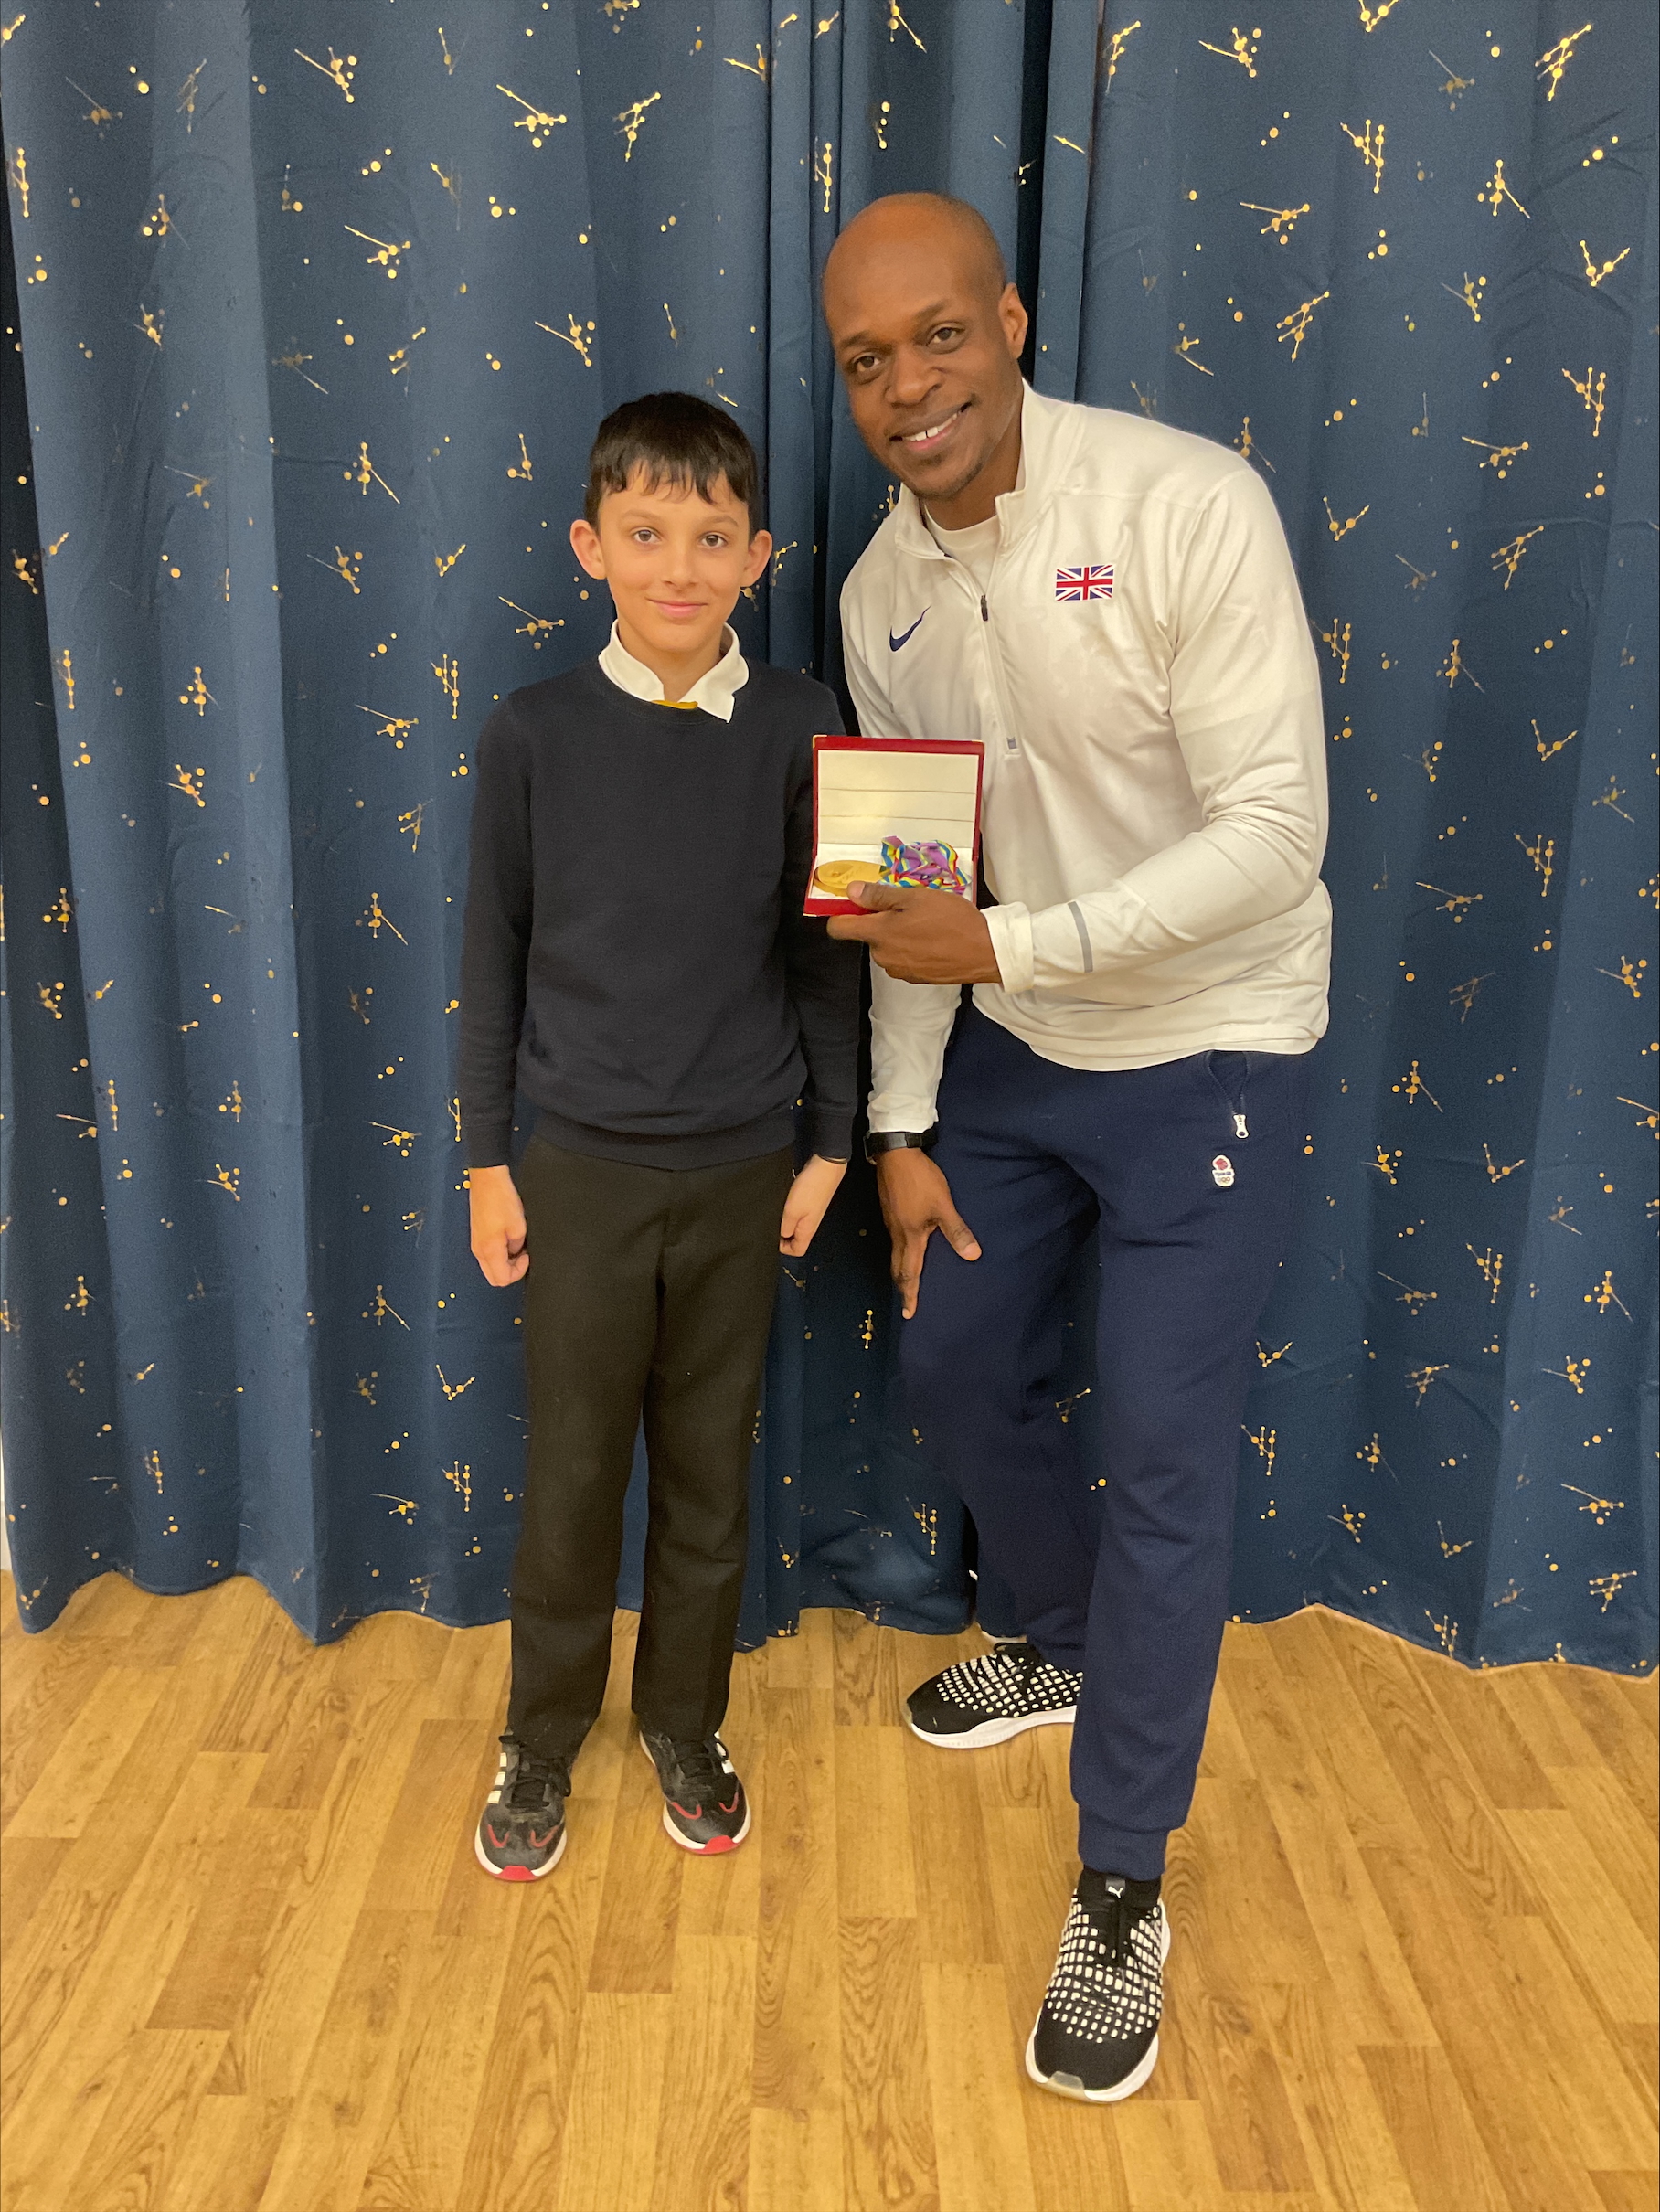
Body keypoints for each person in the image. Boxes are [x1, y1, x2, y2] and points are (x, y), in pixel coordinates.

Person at [822, 195, 1329, 2101]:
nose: (906, 388)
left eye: (937, 337)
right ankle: (1053, 1636)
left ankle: (1121, 1884)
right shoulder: (877, 597)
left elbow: (1274, 834)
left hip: (1212, 1041)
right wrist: (895, 1124)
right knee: (953, 1357)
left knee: (1166, 1451)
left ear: (1009, 317)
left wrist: (1013, 945)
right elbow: (902, 900)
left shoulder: (1185, 504)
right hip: (1015, 1056)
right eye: (867, 361)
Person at [459, 392, 860, 1879]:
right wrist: (489, 1159)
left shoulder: (805, 722)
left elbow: (832, 952)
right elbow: (489, 955)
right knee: (569, 1474)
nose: (677, 566)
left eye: (710, 537)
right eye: (645, 534)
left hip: (747, 1166)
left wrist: (830, 1144)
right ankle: (540, 1735)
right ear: (591, 547)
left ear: (758, 554)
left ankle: (685, 1717)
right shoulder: (534, 732)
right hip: (575, 1172)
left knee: (709, 1470)